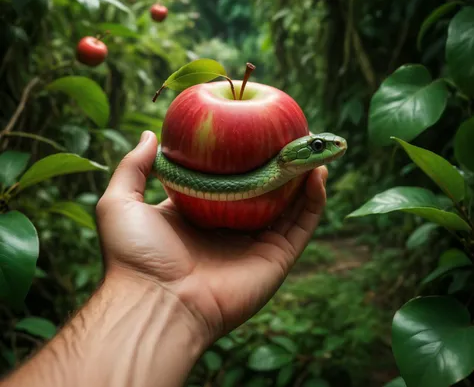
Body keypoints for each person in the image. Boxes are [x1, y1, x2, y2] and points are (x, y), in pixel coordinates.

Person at [2, 130, 328, 387]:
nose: (328, 147)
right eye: (316, 146)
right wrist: (151, 283)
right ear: (292, 153)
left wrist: (156, 296)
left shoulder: (281, 169)